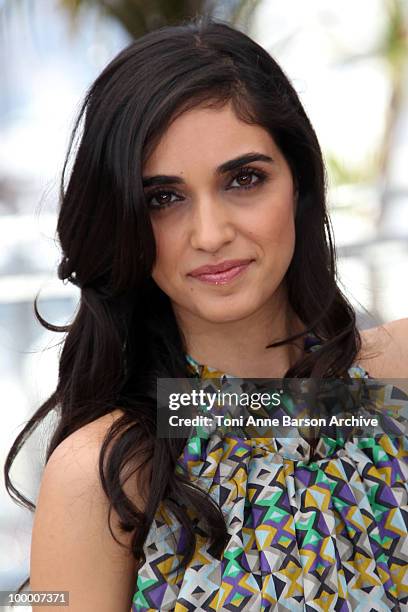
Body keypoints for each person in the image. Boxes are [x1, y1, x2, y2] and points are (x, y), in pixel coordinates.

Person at [4, 16, 408, 612]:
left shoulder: (390, 384)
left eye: (244, 179)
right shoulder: (108, 474)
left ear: (298, 186)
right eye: (163, 199)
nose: (212, 234)